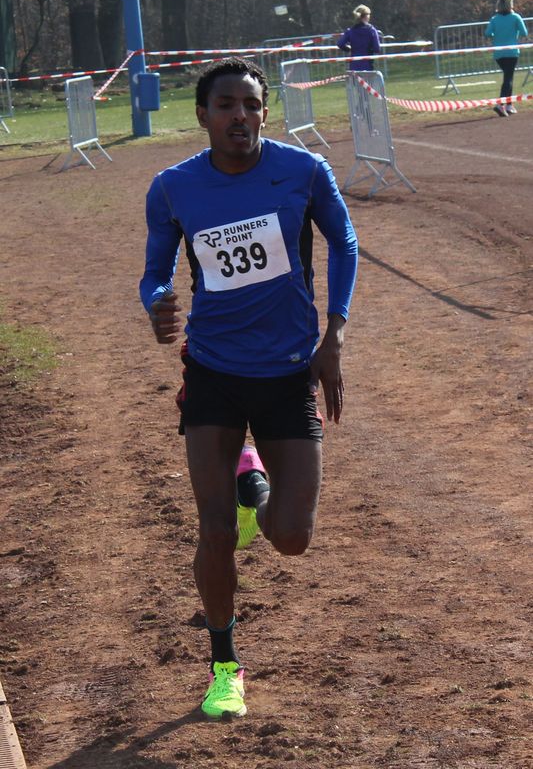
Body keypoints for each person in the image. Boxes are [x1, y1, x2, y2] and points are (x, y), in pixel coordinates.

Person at [140, 57, 358, 719]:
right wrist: (156, 301)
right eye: (226, 105)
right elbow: (154, 271)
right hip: (213, 371)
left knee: (291, 537)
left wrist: (333, 336)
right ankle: (224, 668)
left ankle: (253, 488)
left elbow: (344, 244)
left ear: (265, 112)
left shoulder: (304, 171)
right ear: (202, 116)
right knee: (213, 532)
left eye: (252, 104)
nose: (240, 115)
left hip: (288, 371)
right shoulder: (173, 187)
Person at [485, 0, 528, 117]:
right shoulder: (515, 17)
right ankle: (501, 104)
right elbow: (524, 32)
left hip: (499, 53)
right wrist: (514, 34)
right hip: (512, 52)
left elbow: (487, 33)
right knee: (508, 79)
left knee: (508, 77)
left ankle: (509, 105)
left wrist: (497, 36)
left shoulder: (494, 19)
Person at [337, 4, 382, 72]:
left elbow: (340, 44)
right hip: (368, 66)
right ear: (366, 16)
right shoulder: (372, 30)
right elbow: (377, 49)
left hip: (354, 66)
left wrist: (349, 49)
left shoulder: (350, 31)